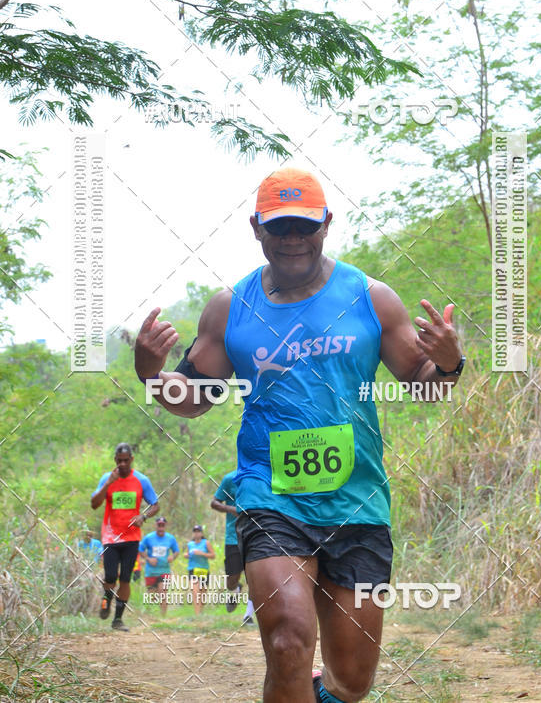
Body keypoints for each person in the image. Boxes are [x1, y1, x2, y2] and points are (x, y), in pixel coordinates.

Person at [134, 167, 465, 702]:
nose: (292, 237)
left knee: (352, 682)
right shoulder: (230, 307)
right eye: (279, 225)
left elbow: (425, 385)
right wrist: (152, 374)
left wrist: (448, 364)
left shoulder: (371, 298)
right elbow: (193, 398)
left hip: (356, 502)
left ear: (326, 224)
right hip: (271, 496)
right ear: (256, 228)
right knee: (287, 641)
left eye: (305, 225)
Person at [91, 442, 159, 631]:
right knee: (110, 576)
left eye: (126, 461)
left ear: (131, 459)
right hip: (110, 537)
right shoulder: (106, 478)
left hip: (132, 537)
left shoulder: (141, 480)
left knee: (125, 579)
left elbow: (155, 505)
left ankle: (117, 620)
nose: (122, 464)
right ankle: (107, 597)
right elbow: (94, 504)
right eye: (119, 461)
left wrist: (143, 516)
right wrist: (108, 484)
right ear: (115, 460)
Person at [211, 470, 255, 624]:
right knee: (231, 579)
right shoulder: (230, 478)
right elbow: (214, 503)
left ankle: (248, 615)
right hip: (233, 536)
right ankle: (235, 590)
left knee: (255, 577)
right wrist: (231, 509)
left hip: (256, 536)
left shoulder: (261, 475)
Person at [139, 516, 179, 616]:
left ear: (165, 526)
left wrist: (172, 557)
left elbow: (176, 551)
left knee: (163, 592)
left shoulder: (170, 538)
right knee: (152, 596)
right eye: (159, 525)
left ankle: (163, 617)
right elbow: (140, 549)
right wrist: (148, 559)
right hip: (151, 571)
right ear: (155, 526)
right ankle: (150, 616)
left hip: (164, 570)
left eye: (162, 526)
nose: (161, 528)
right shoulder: (148, 537)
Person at [183, 524, 215, 615]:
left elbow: (213, 555)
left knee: (203, 594)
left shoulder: (206, 543)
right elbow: (187, 554)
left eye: (198, 531)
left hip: (204, 570)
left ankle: (201, 612)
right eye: (195, 532)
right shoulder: (190, 544)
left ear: (201, 533)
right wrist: (186, 555)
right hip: (193, 570)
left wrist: (202, 553)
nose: (196, 533)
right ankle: (197, 615)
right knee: (195, 592)